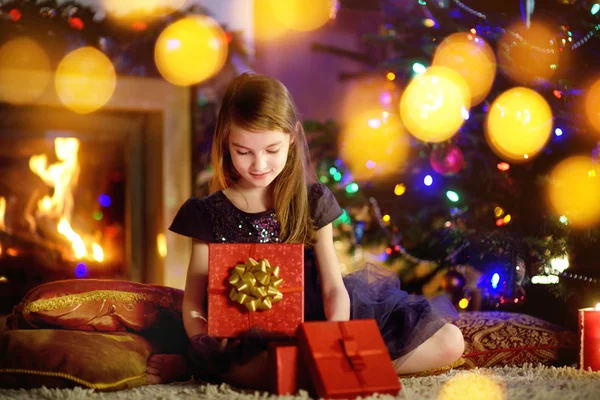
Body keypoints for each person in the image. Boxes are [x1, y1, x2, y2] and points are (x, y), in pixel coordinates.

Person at [146, 73, 464, 389]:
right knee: (255, 367)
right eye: (243, 151)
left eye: (272, 149)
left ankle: (314, 369)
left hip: (319, 322)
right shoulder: (207, 214)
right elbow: (194, 301)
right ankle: (244, 368)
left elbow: (333, 289)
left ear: (293, 137)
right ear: (225, 143)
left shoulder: (313, 202)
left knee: (451, 342)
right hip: (244, 337)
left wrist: (334, 340)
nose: (259, 164)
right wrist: (203, 341)